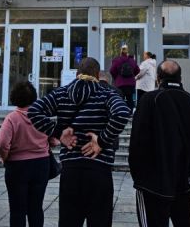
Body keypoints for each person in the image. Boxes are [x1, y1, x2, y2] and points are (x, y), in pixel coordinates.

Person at [28, 56, 132, 227]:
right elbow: (122, 113)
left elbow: (33, 111)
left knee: (69, 221)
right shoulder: (107, 94)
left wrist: (58, 133)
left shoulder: (61, 93)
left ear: (77, 74)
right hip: (99, 168)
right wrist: (102, 141)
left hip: (71, 170)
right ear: (97, 75)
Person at [128, 60, 190, 227]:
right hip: (185, 182)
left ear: (158, 78)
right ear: (181, 78)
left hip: (152, 184)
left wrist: (140, 177)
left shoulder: (149, 100)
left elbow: (137, 143)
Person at [0, 81, 56, 227]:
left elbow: (1, 144)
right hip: (41, 164)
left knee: (17, 209)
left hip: (17, 166)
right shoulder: (42, 117)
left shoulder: (12, 118)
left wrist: (5, 156)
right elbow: (54, 140)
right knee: (36, 207)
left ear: (14, 97)